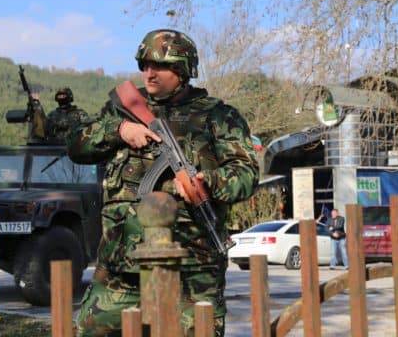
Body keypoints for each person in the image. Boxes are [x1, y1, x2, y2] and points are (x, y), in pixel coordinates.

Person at [67, 29, 259, 336]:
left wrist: (206, 182)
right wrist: (120, 131)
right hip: (121, 266)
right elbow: (76, 146)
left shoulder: (218, 117)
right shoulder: (123, 110)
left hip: (191, 268)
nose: (149, 73)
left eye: (159, 66)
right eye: (144, 65)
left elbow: (246, 175)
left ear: (183, 71)